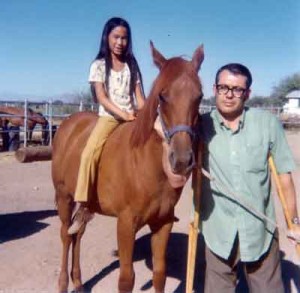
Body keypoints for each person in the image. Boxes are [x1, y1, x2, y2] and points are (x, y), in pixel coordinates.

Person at [200, 63, 300, 292]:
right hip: (219, 230)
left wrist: (294, 224)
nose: (229, 95)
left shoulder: (268, 124)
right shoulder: (201, 126)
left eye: (237, 89)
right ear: (215, 89)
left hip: (260, 230)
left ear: (247, 94)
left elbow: (284, 178)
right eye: (223, 87)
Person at [68, 17, 145, 234]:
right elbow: (101, 97)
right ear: (107, 38)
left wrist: (148, 115)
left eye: (124, 38)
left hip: (133, 116)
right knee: (89, 153)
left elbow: (139, 97)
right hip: (110, 117)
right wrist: (123, 114)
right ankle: (83, 205)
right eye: (116, 37)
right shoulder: (99, 65)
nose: (120, 42)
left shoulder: (132, 65)